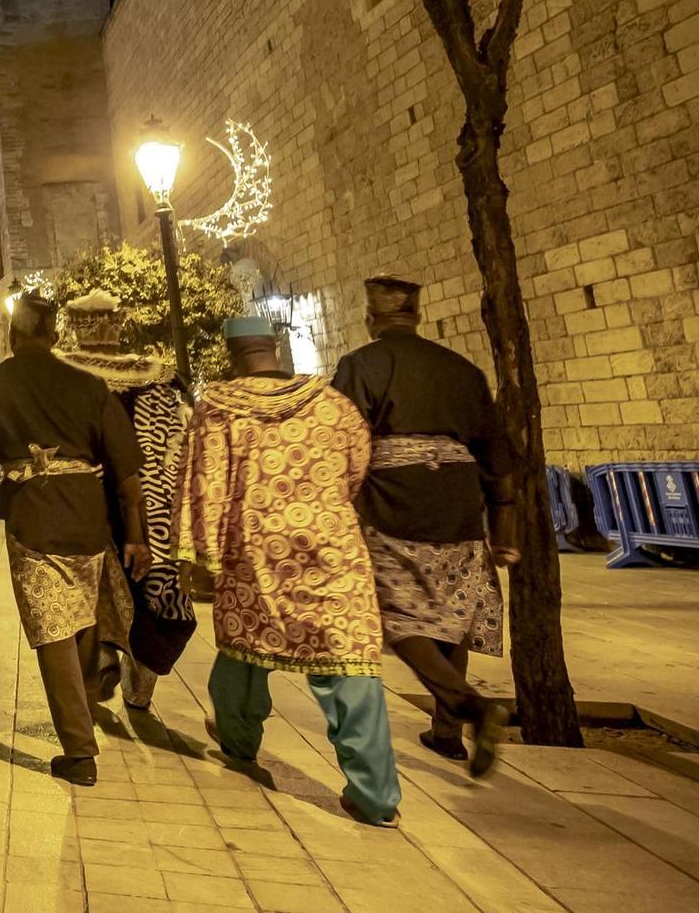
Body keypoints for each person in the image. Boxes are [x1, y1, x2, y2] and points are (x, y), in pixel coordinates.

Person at [180, 317, 402, 827]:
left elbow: (207, 485)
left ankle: (239, 741)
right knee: (350, 663)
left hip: (254, 549)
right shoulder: (333, 405)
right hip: (332, 547)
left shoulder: (217, 409)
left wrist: (203, 558)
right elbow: (356, 468)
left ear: (231, 354)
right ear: (276, 347)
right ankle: (374, 795)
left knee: (242, 648)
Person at [0, 294, 148, 786]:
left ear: (11, 339)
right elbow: (127, 466)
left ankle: (79, 750)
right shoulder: (89, 385)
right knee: (78, 617)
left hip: (34, 521)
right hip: (88, 519)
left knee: (53, 629)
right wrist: (135, 533)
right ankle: (88, 692)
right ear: (55, 338)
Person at [333, 273, 517, 777]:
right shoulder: (461, 370)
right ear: (416, 316)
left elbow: (342, 437)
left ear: (372, 318)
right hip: (459, 501)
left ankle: (472, 708)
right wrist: (505, 526)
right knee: (452, 610)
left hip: (395, 502)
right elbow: (495, 448)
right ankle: (444, 734)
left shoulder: (360, 366)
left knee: (397, 615)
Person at [56, 289, 196, 713]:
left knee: (92, 589)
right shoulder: (158, 375)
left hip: (87, 502)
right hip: (151, 503)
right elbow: (180, 442)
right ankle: (142, 675)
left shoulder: (58, 374)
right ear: (120, 327)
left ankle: (104, 658)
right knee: (155, 592)